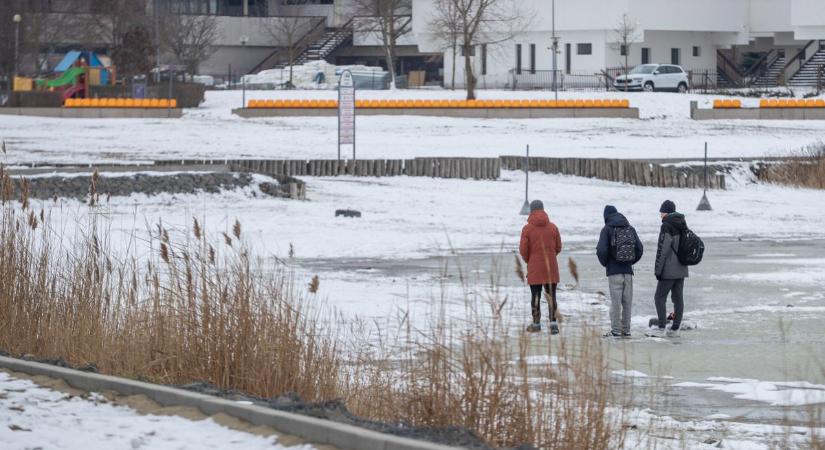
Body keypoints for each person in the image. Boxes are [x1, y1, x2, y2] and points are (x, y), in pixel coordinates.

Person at [597, 205, 643, 338]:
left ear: (606, 216)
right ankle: (626, 330)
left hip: (614, 272)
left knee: (616, 302)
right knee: (627, 302)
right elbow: (640, 248)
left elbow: (601, 250)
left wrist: (607, 264)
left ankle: (616, 330)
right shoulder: (630, 228)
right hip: (628, 272)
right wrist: (630, 262)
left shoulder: (607, 229)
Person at [519, 200, 563, 334]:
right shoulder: (553, 227)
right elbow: (558, 247)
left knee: (536, 295)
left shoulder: (527, 229)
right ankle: (553, 324)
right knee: (551, 295)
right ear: (543, 209)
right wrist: (550, 256)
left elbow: (523, 250)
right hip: (551, 267)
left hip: (535, 268)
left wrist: (530, 260)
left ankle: (536, 324)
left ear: (531, 211)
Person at [651, 200, 688, 338]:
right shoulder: (682, 223)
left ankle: (661, 326)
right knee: (678, 298)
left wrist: (658, 270)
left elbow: (663, 249)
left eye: (661, 212)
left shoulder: (666, 226)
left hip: (669, 270)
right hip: (682, 268)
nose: (660, 214)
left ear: (666, 212)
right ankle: (676, 326)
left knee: (659, 297)